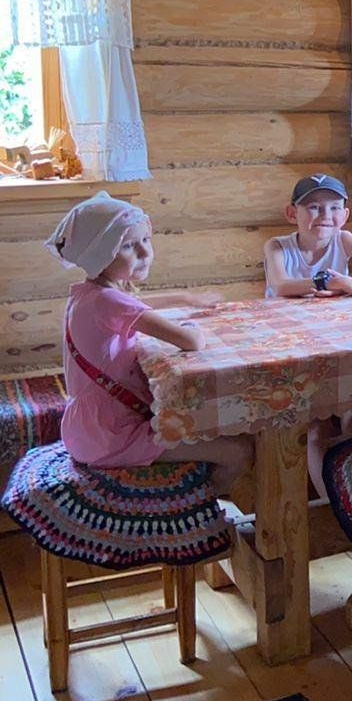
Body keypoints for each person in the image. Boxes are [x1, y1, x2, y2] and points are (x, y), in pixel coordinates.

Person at [45, 193, 251, 489]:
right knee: (238, 449)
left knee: (203, 424)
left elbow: (134, 303)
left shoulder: (89, 294)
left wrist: (184, 298)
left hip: (89, 430)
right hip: (112, 437)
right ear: (99, 255)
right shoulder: (110, 301)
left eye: (146, 240)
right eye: (128, 245)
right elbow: (190, 341)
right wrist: (193, 322)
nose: (145, 252)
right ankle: (199, 515)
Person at [263, 174, 352, 298]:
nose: (326, 216)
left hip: (330, 315)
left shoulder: (343, 239)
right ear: (292, 214)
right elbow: (280, 287)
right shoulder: (277, 246)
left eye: (334, 208)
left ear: (344, 216)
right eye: (314, 207)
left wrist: (348, 285)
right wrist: (331, 283)